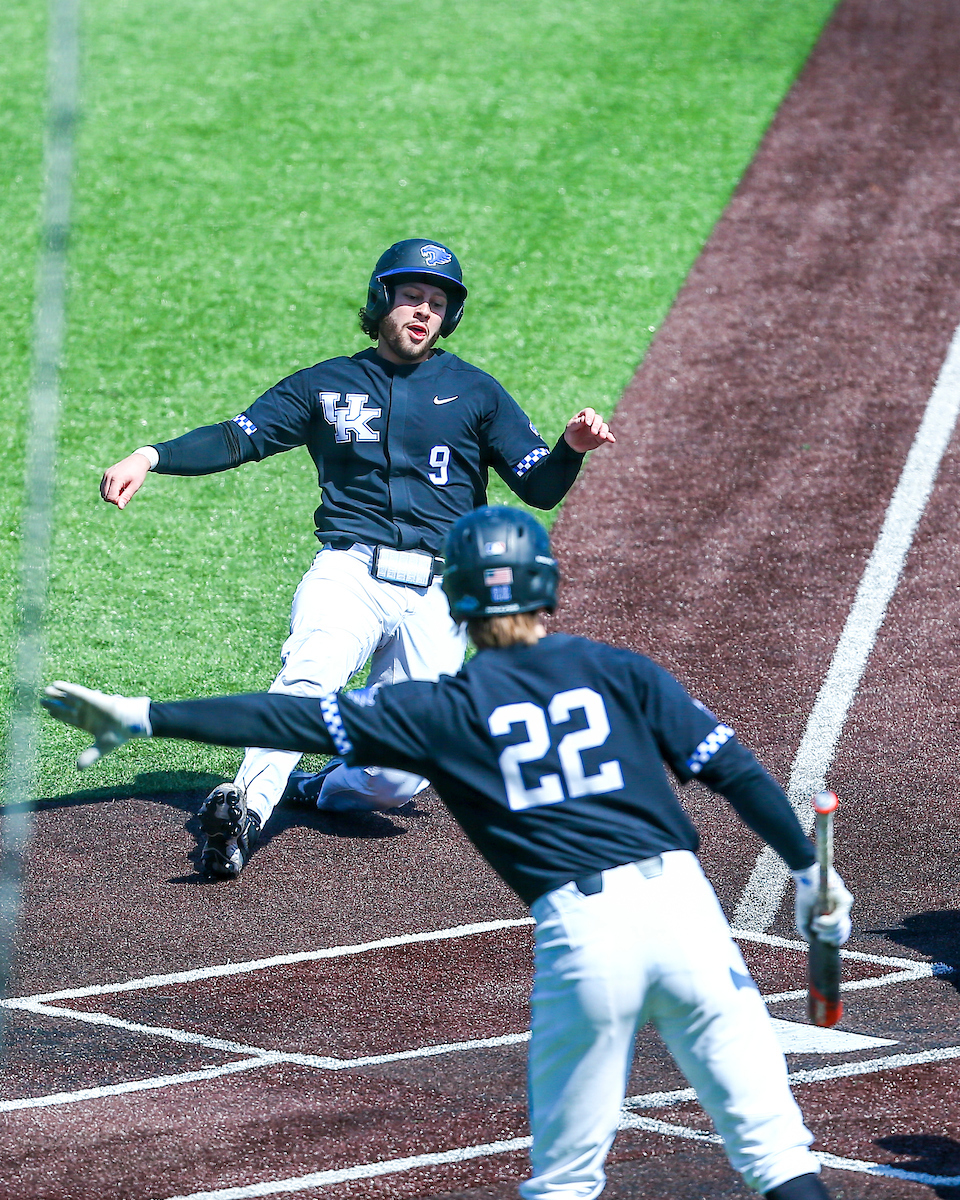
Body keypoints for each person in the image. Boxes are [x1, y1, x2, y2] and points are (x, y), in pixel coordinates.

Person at [44, 506, 852, 1200]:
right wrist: (810, 870)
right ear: (546, 584)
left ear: (456, 600)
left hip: (587, 938)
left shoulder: (438, 710)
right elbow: (737, 772)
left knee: (567, 1181)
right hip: (687, 915)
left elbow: (282, 720)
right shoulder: (617, 670)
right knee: (777, 1153)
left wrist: (144, 714)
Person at [98, 238, 615, 879]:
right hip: (351, 571)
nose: (423, 312)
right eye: (410, 298)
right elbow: (240, 437)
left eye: (436, 302)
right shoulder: (327, 384)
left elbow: (538, 485)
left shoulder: (474, 392)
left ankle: (316, 786)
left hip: (439, 590)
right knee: (309, 677)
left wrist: (571, 447)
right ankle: (244, 810)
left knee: (396, 777)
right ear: (381, 302)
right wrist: (150, 455)